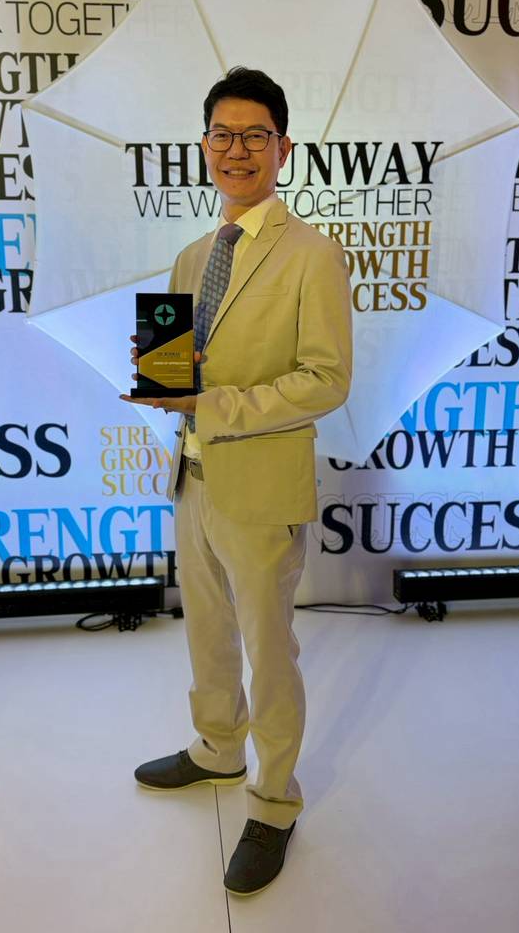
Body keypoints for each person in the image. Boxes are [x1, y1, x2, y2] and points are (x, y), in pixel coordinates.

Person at [120, 67, 352, 895]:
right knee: (207, 634)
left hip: (261, 487)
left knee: (268, 649)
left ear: (284, 149)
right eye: (223, 134)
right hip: (191, 477)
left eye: (256, 135)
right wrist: (159, 370)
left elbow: (326, 380)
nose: (237, 149)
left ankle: (274, 801)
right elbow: (178, 367)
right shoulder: (191, 254)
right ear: (205, 146)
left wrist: (211, 401)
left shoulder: (313, 255)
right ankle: (218, 747)